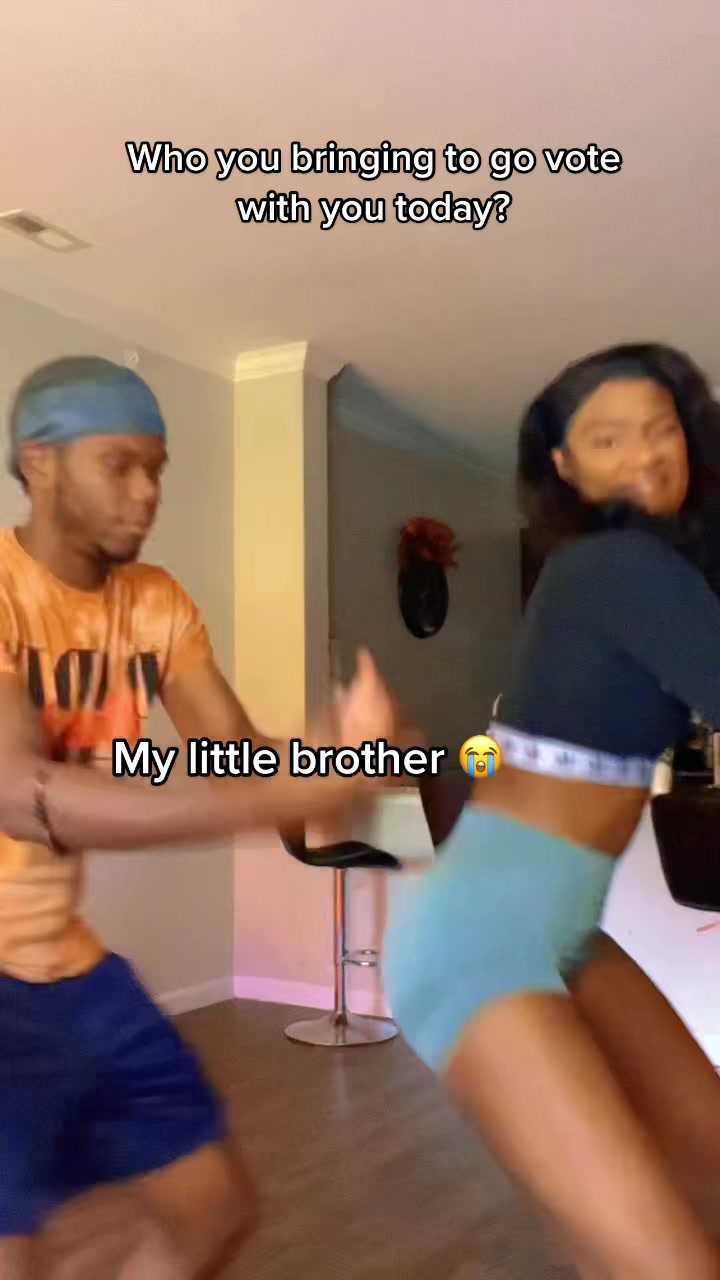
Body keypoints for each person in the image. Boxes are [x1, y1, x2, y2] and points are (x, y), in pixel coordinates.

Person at [0, 355, 396, 1280]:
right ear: (39, 463)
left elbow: (237, 755)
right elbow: (23, 792)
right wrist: (276, 796)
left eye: (158, 469)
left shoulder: (155, 604)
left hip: (69, 969)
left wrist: (342, 757)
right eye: (120, 465)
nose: (148, 493)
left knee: (212, 1208)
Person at [382, 343, 720, 1280]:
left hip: (569, 936)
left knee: (685, 1193)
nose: (645, 454)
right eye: (610, 438)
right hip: (477, 943)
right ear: (566, 467)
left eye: (660, 429)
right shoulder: (610, 568)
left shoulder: (653, 573)